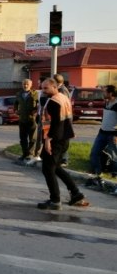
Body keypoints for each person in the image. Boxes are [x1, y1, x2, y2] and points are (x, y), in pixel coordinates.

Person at [37, 78, 88, 210]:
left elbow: (56, 124)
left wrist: (48, 140)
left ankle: (55, 200)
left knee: (48, 169)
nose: (43, 91)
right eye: (42, 88)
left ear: (54, 87)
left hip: (56, 140)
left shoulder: (54, 102)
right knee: (56, 167)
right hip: (64, 138)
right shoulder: (63, 98)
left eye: (46, 88)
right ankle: (76, 194)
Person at [85, 85, 117, 190]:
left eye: (105, 92)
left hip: (112, 134)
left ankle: (114, 174)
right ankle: (98, 173)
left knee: (114, 156)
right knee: (94, 152)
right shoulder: (106, 102)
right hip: (102, 132)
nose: (103, 94)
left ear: (111, 93)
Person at [14, 79, 39, 162]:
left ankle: (30, 154)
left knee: (32, 139)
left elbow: (39, 104)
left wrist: (36, 111)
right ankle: (24, 154)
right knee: (23, 139)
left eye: (27, 84)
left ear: (31, 85)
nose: (25, 86)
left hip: (32, 120)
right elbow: (16, 103)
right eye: (24, 84)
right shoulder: (19, 94)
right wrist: (16, 111)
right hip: (22, 119)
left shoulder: (35, 94)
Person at [53, 74, 71, 166]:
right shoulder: (60, 89)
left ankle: (64, 159)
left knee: (63, 139)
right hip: (62, 117)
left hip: (63, 118)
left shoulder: (62, 91)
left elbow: (62, 105)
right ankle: (60, 158)